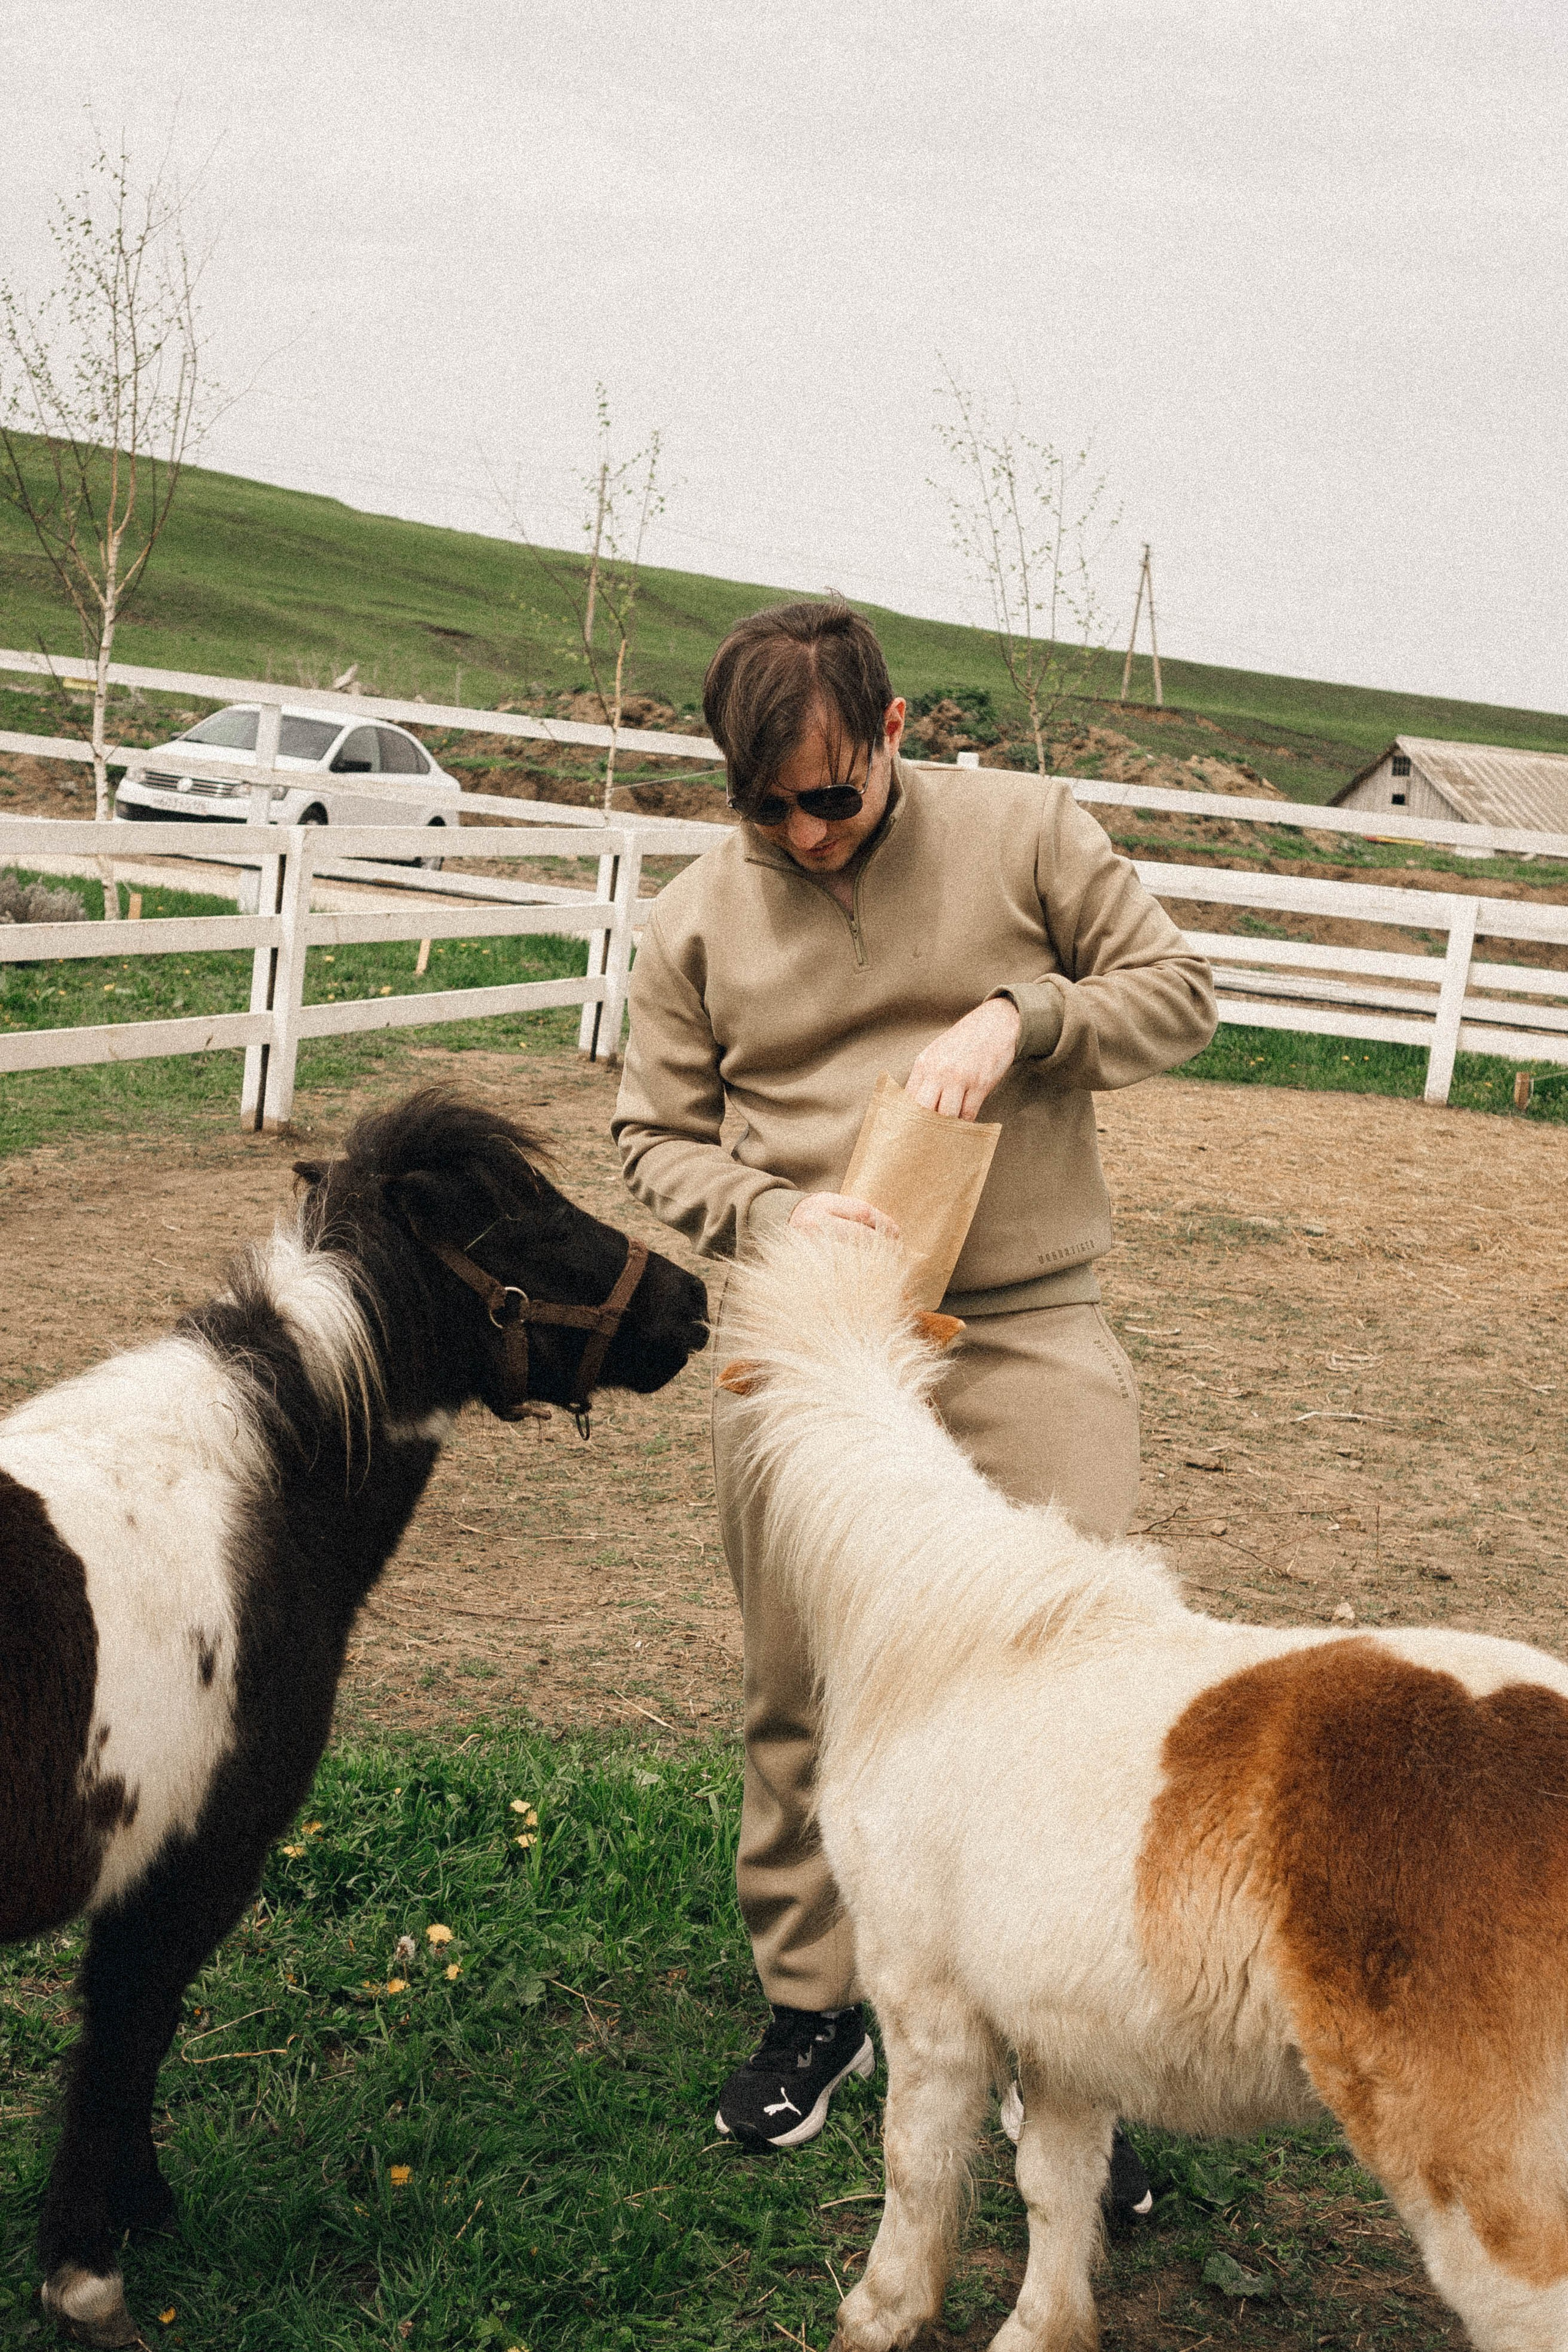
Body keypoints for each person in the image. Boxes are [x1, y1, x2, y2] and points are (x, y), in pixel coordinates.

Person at [611, 600, 1216, 2188]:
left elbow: (1178, 993)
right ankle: (816, 2006)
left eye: (833, 796)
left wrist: (1027, 1018)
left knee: (1065, 1686)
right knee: (803, 1683)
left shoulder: (1028, 834)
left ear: (892, 735)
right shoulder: (689, 919)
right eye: (766, 807)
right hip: (811, 1338)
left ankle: (1054, 2056)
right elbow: (649, 1136)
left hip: (1023, 1319)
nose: (806, 836)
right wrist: (763, 1211)